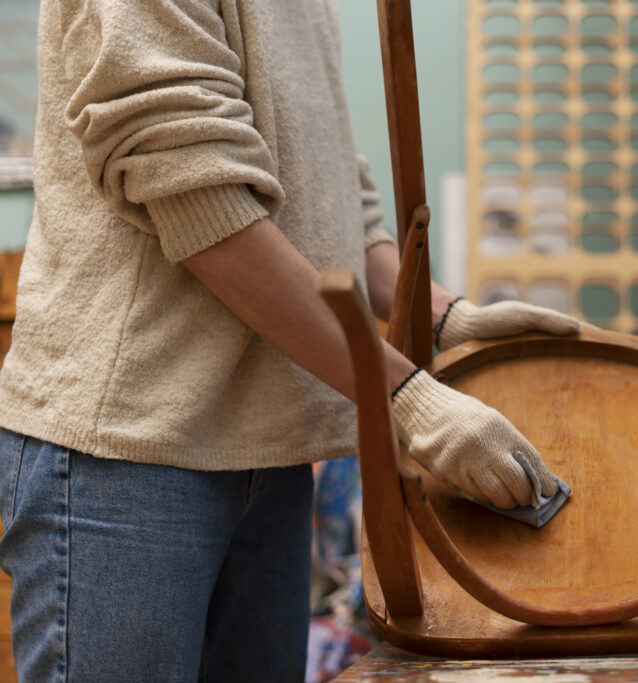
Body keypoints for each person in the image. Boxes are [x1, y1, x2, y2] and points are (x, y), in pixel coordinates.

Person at [0, 0, 580, 680]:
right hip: (129, 450)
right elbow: (199, 197)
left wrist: (439, 315)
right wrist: (403, 394)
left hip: (265, 442)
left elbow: (328, 191)